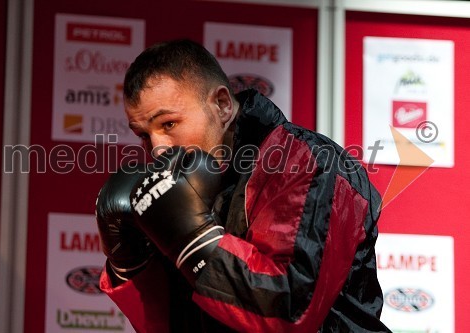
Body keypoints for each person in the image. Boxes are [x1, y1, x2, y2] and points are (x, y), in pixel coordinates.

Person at [96, 39, 391, 332]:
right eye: (144, 135)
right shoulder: (173, 187)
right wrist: (127, 263)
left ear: (222, 105)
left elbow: (290, 312)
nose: (158, 149)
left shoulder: (307, 164)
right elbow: (165, 323)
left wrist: (194, 239)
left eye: (169, 124)